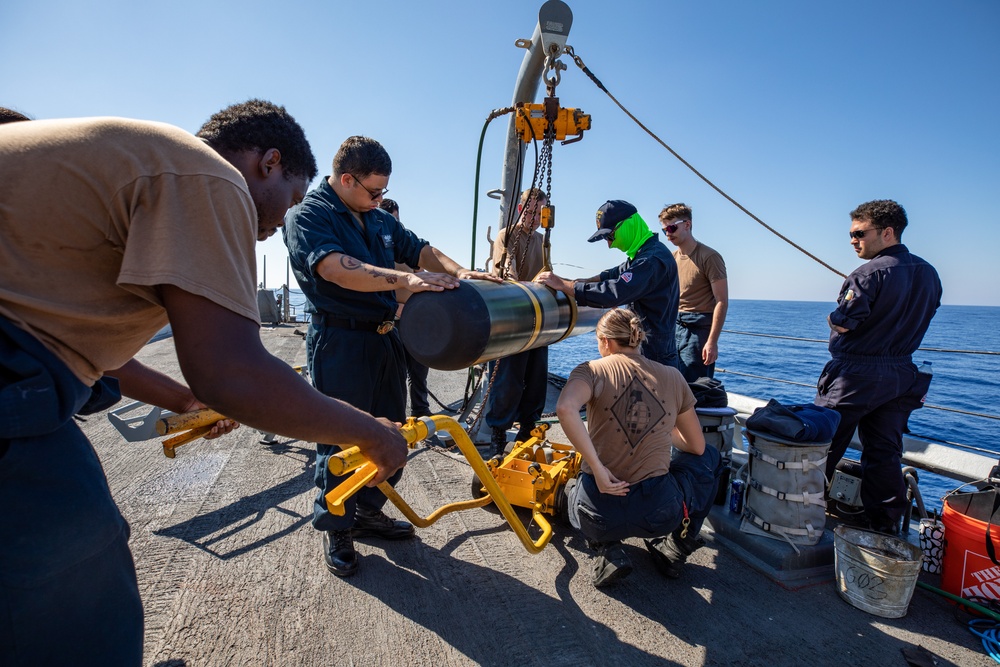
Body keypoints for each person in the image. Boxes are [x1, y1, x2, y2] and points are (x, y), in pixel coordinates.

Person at [0, 101, 408, 667]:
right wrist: (370, 433)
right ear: (269, 163)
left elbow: (92, 347)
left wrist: (185, 400)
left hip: (23, 352)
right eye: (290, 198)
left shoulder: (141, 166)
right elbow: (231, 371)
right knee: (75, 567)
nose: (275, 228)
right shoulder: (209, 177)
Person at [282, 136, 499, 578]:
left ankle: (368, 510)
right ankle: (337, 525)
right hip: (341, 343)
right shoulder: (308, 215)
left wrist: (458, 271)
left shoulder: (376, 217)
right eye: (374, 192)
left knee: (392, 433)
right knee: (342, 438)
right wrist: (408, 281)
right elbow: (334, 267)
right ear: (346, 179)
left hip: (384, 340)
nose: (381, 200)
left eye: (383, 192)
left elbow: (419, 247)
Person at [556, 308, 722, 588]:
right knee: (710, 458)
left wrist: (597, 468)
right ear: (638, 339)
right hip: (659, 513)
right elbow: (696, 446)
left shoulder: (591, 370)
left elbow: (565, 408)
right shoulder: (673, 376)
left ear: (606, 341)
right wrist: (663, 430)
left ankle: (607, 549)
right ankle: (676, 547)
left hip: (599, 513)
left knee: (571, 490)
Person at [814, 199, 941, 534]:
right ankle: (884, 528)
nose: (853, 241)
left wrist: (831, 316)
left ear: (887, 232)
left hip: (855, 375)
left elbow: (843, 322)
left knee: (821, 445)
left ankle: (800, 515)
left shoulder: (867, 273)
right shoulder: (929, 273)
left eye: (859, 233)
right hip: (901, 376)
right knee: (885, 453)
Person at [536, 199, 680, 368]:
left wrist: (565, 286)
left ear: (628, 225)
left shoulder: (651, 261)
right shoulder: (643, 254)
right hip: (647, 346)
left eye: (610, 236)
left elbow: (614, 292)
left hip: (655, 354)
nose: (610, 245)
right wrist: (582, 281)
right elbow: (615, 273)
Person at [484, 188, 550, 456]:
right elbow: (505, 270)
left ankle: (527, 430)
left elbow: (547, 272)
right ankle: (498, 435)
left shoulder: (543, 241)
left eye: (540, 213)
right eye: (531, 211)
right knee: (507, 379)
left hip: (538, 319)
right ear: (522, 209)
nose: (535, 218)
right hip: (512, 319)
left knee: (536, 377)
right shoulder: (506, 235)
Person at [659, 203, 729, 382]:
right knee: (672, 381)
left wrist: (712, 342)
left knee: (695, 385)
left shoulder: (709, 257)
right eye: (665, 229)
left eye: (672, 228)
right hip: (674, 324)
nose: (668, 234)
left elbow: (721, 300)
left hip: (699, 328)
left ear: (687, 225)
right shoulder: (671, 258)